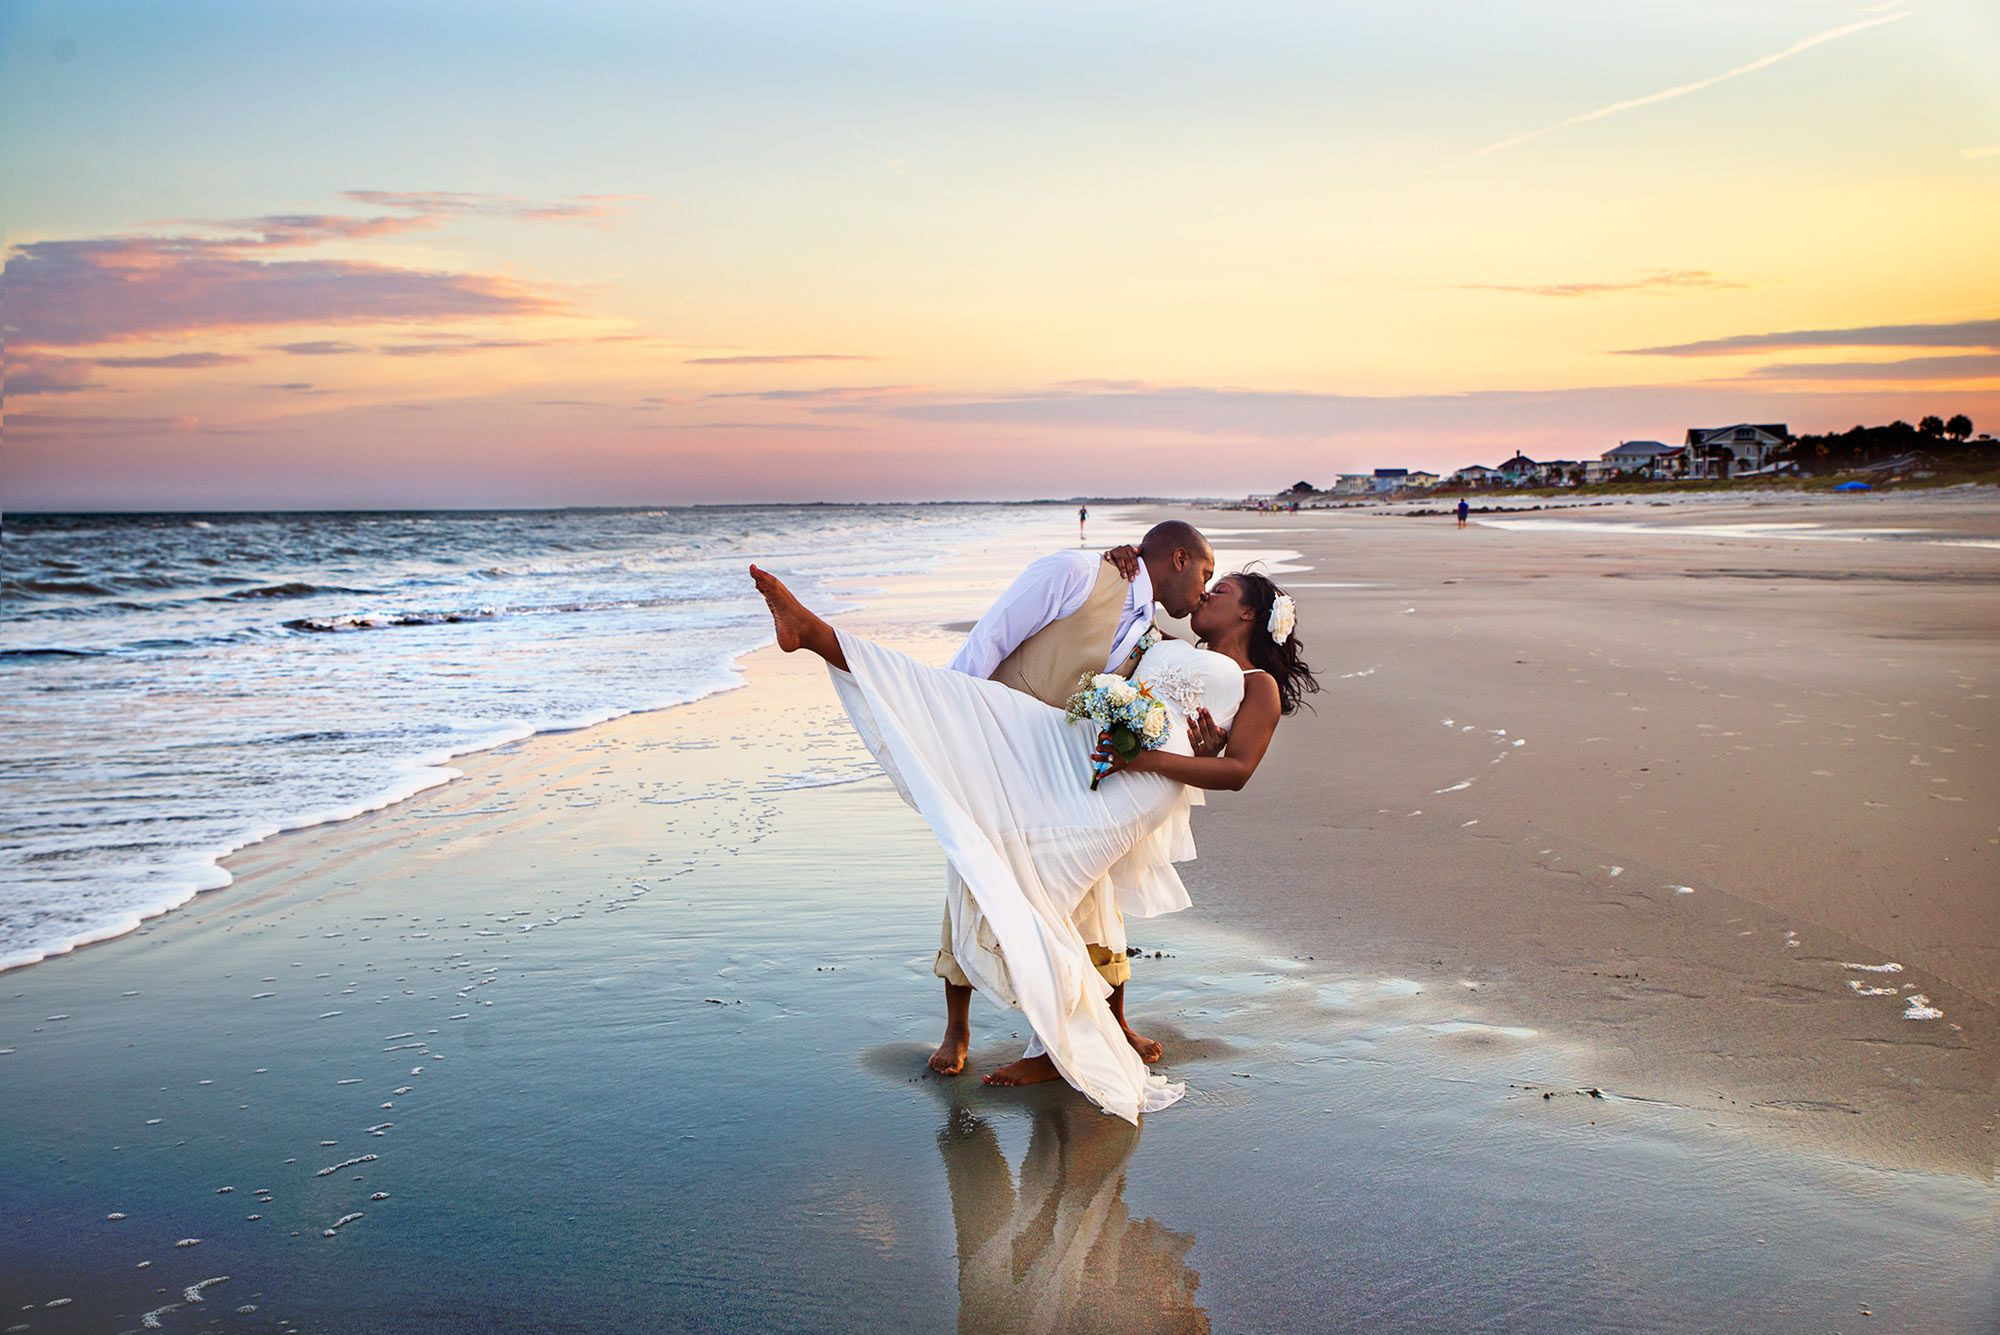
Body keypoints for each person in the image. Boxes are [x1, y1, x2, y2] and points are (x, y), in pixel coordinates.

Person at [746, 558, 1320, 1122]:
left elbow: (1238, 771)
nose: (1206, 595)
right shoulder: (1169, 642)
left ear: (1248, 613)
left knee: (1042, 894)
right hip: (1080, 751)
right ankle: (821, 637)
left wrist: (1153, 756)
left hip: (1134, 784)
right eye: (1208, 582)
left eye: (1220, 590)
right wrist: (1125, 560)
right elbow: (1116, 632)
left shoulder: (1257, 685)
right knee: (978, 706)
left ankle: (1052, 1048)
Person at [931, 523, 1214, 1080]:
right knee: (975, 871)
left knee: (1090, 884)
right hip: (1000, 749)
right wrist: (947, 732)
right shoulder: (1077, 574)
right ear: (1179, 558)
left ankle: (1114, 1019)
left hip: (1067, 770)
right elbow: (988, 640)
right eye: (1205, 574)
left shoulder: (1154, 637)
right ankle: (957, 1027)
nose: (1204, 589)